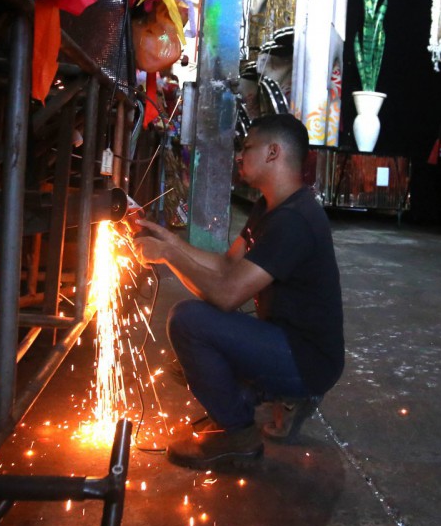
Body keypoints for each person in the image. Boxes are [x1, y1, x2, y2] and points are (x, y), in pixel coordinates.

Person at [131, 113, 344, 469]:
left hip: (308, 360)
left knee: (188, 322)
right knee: (185, 363)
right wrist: (171, 243)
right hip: (286, 340)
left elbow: (228, 294)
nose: (240, 156)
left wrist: (168, 256)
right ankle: (269, 397)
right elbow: (228, 265)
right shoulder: (270, 206)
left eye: (247, 148)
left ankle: (239, 434)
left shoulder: (295, 220)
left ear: (273, 152)